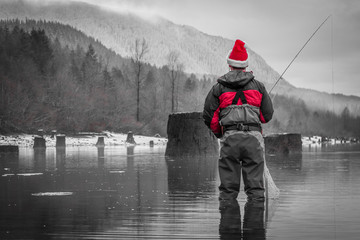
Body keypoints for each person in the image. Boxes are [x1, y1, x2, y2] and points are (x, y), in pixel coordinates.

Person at [203, 39, 273, 202]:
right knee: (256, 191)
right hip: (254, 141)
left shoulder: (218, 88)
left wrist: (219, 133)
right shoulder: (259, 87)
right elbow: (266, 116)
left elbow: (209, 116)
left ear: (230, 65)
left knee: (228, 191)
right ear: (245, 66)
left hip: (230, 140)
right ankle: (254, 224)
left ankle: (229, 223)